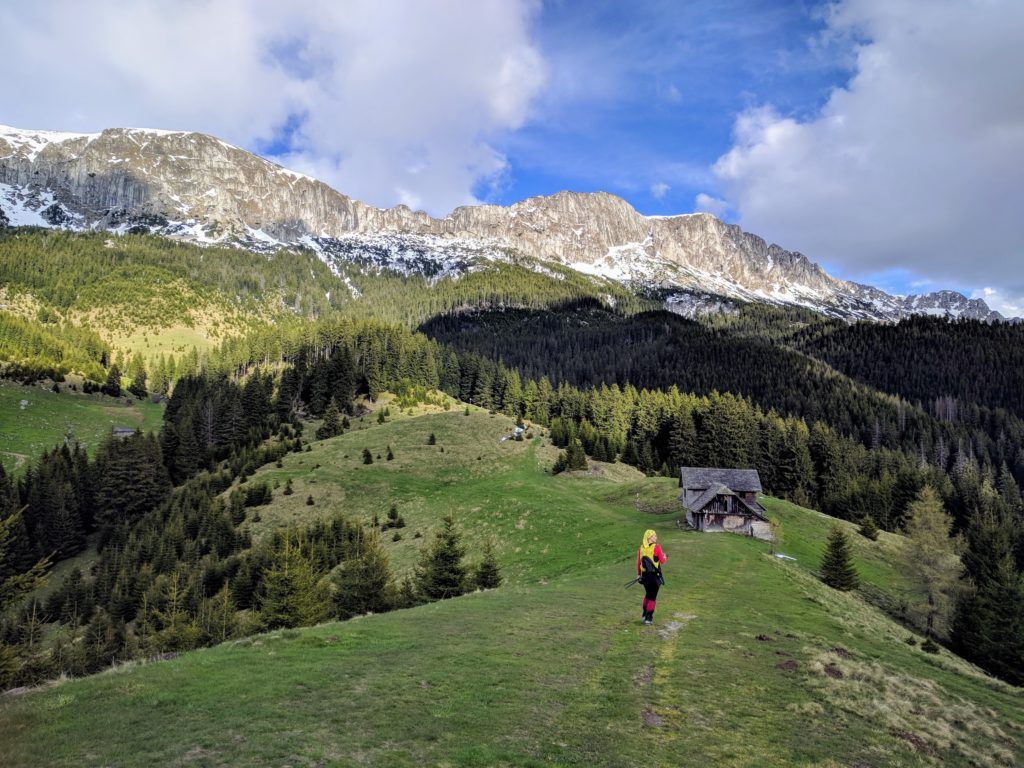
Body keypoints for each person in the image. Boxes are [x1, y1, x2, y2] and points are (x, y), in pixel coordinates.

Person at [637, 529, 666, 625]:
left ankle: (644, 614)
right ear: (650, 537)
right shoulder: (656, 547)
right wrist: (665, 557)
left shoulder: (641, 548)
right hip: (654, 576)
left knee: (648, 595)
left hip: (645, 576)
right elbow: (662, 561)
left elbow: (639, 563)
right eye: (655, 535)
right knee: (652, 597)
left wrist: (638, 575)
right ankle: (648, 618)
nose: (656, 537)